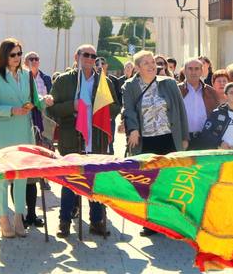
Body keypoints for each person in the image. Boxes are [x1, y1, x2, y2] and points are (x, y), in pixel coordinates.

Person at [48, 44, 122, 238]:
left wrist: (102, 109)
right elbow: (52, 110)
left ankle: (96, 221)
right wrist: (70, 107)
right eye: (86, 55)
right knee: (70, 181)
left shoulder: (103, 81)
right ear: (77, 56)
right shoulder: (64, 81)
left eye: (93, 56)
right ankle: (64, 221)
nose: (90, 59)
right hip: (72, 137)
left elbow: (115, 108)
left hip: (96, 138)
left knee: (95, 181)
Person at [123, 49, 190, 236]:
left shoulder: (168, 83)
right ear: (137, 68)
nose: (152, 66)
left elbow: (180, 110)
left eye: (153, 62)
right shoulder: (130, 86)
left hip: (169, 138)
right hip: (147, 141)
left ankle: (172, 222)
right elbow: (129, 110)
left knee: (171, 181)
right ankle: (151, 223)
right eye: (146, 63)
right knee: (150, 183)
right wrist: (134, 129)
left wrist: (184, 137)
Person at [0, 39, 36, 238]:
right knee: (2, 177)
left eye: (19, 54)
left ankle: (18, 216)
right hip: (5, 131)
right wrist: (12, 110)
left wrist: (31, 104)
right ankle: (3, 217)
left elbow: (30, 99)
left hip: (24, 130)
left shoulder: (26, 75)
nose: (17, 58)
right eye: (13, 54)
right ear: (5, 55)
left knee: (21, 176)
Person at [22, 51, 54, 229]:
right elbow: (28, 102)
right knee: (22, 175)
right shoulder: (22, 78)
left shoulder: (45, 78)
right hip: (23, 126)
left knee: (35, 171)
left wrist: (46, 101)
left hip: (42, 123)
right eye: (30, 59)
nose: (34, 61)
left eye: (37, 58)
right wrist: (41, 101)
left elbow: (43, 100)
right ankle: (21, 215)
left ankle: (32, 214)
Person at [196, 82, 233, 150]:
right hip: (220, 154)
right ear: (226, 96)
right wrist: (220, 143)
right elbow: (206, 133)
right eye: (231, 93)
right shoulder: (216, 114)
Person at [178, 59, 219, 148]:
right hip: (184, 140)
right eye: (190, 69)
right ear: (184, 71)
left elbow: (217, 117)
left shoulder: (211, 92)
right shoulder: (177, 90)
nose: (193, 72)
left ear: (201, 71)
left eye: (197, 69)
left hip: (206, 139)